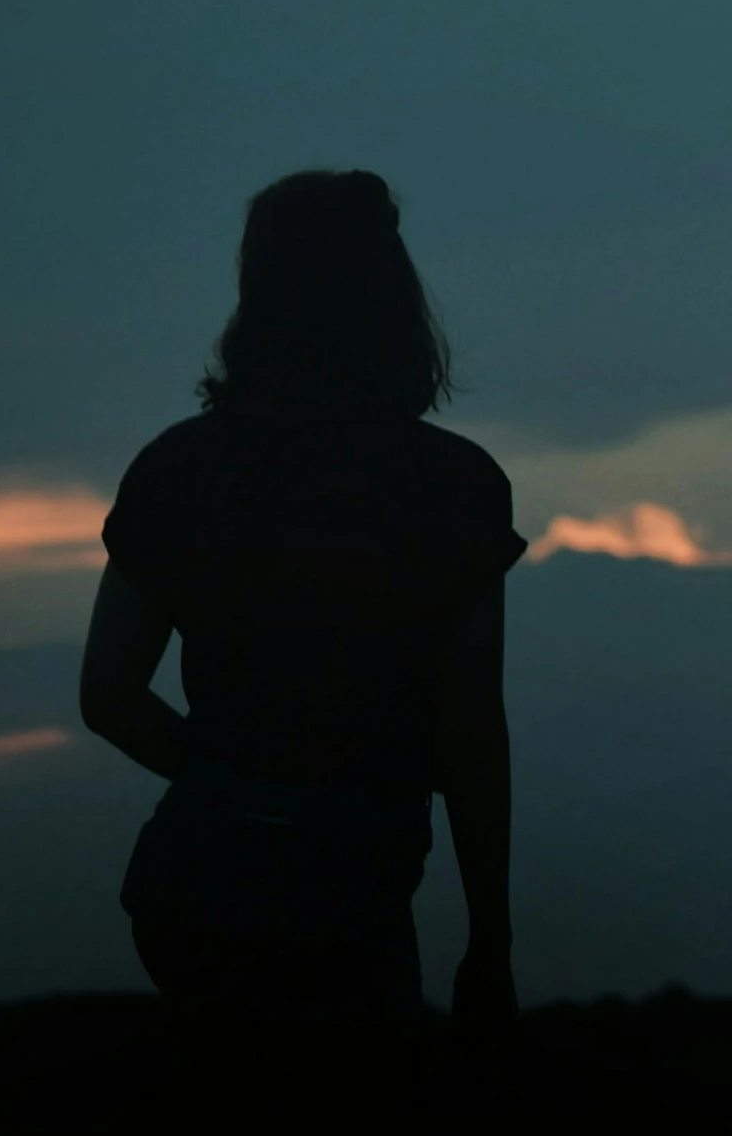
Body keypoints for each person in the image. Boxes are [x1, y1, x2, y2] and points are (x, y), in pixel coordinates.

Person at [79, 168, 524, 1047]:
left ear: (258, 296)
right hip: (356, 881)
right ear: (392, 293)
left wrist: (237, 784)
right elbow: (471, 733)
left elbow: (109, 698)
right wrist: (491, 943)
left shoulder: (180, 468)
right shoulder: (452, 486)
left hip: (195, 880)